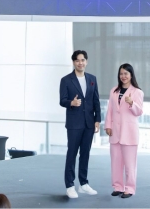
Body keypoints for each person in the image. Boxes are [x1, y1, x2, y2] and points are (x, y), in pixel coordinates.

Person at [59, 49, 101, 199]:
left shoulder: (92, 79)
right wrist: (72, 102)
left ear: (86, 62)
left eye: (82, 60)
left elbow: (96, 101)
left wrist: (97, 120)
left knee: (85, 154)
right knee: (72, 154)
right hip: (74, 124)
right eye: (77, 60)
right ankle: (70, 186)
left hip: (89, 123)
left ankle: (83, 184)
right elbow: (62, 100)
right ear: (73, 62)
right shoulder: (66, 80)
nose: (80, 63)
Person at [104, 63, 144, 198]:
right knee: (115, 161)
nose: (123, 76)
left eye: (126, 73)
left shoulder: (137, 92)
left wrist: (132, 103)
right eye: (121, 74)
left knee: (130, 163)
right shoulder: (113, 91)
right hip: (115, 131)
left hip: (129, 132)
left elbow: (139, 112)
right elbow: (110, 110)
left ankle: (130, 188)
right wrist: (108, 126)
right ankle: (118, 186)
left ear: (131, 75)